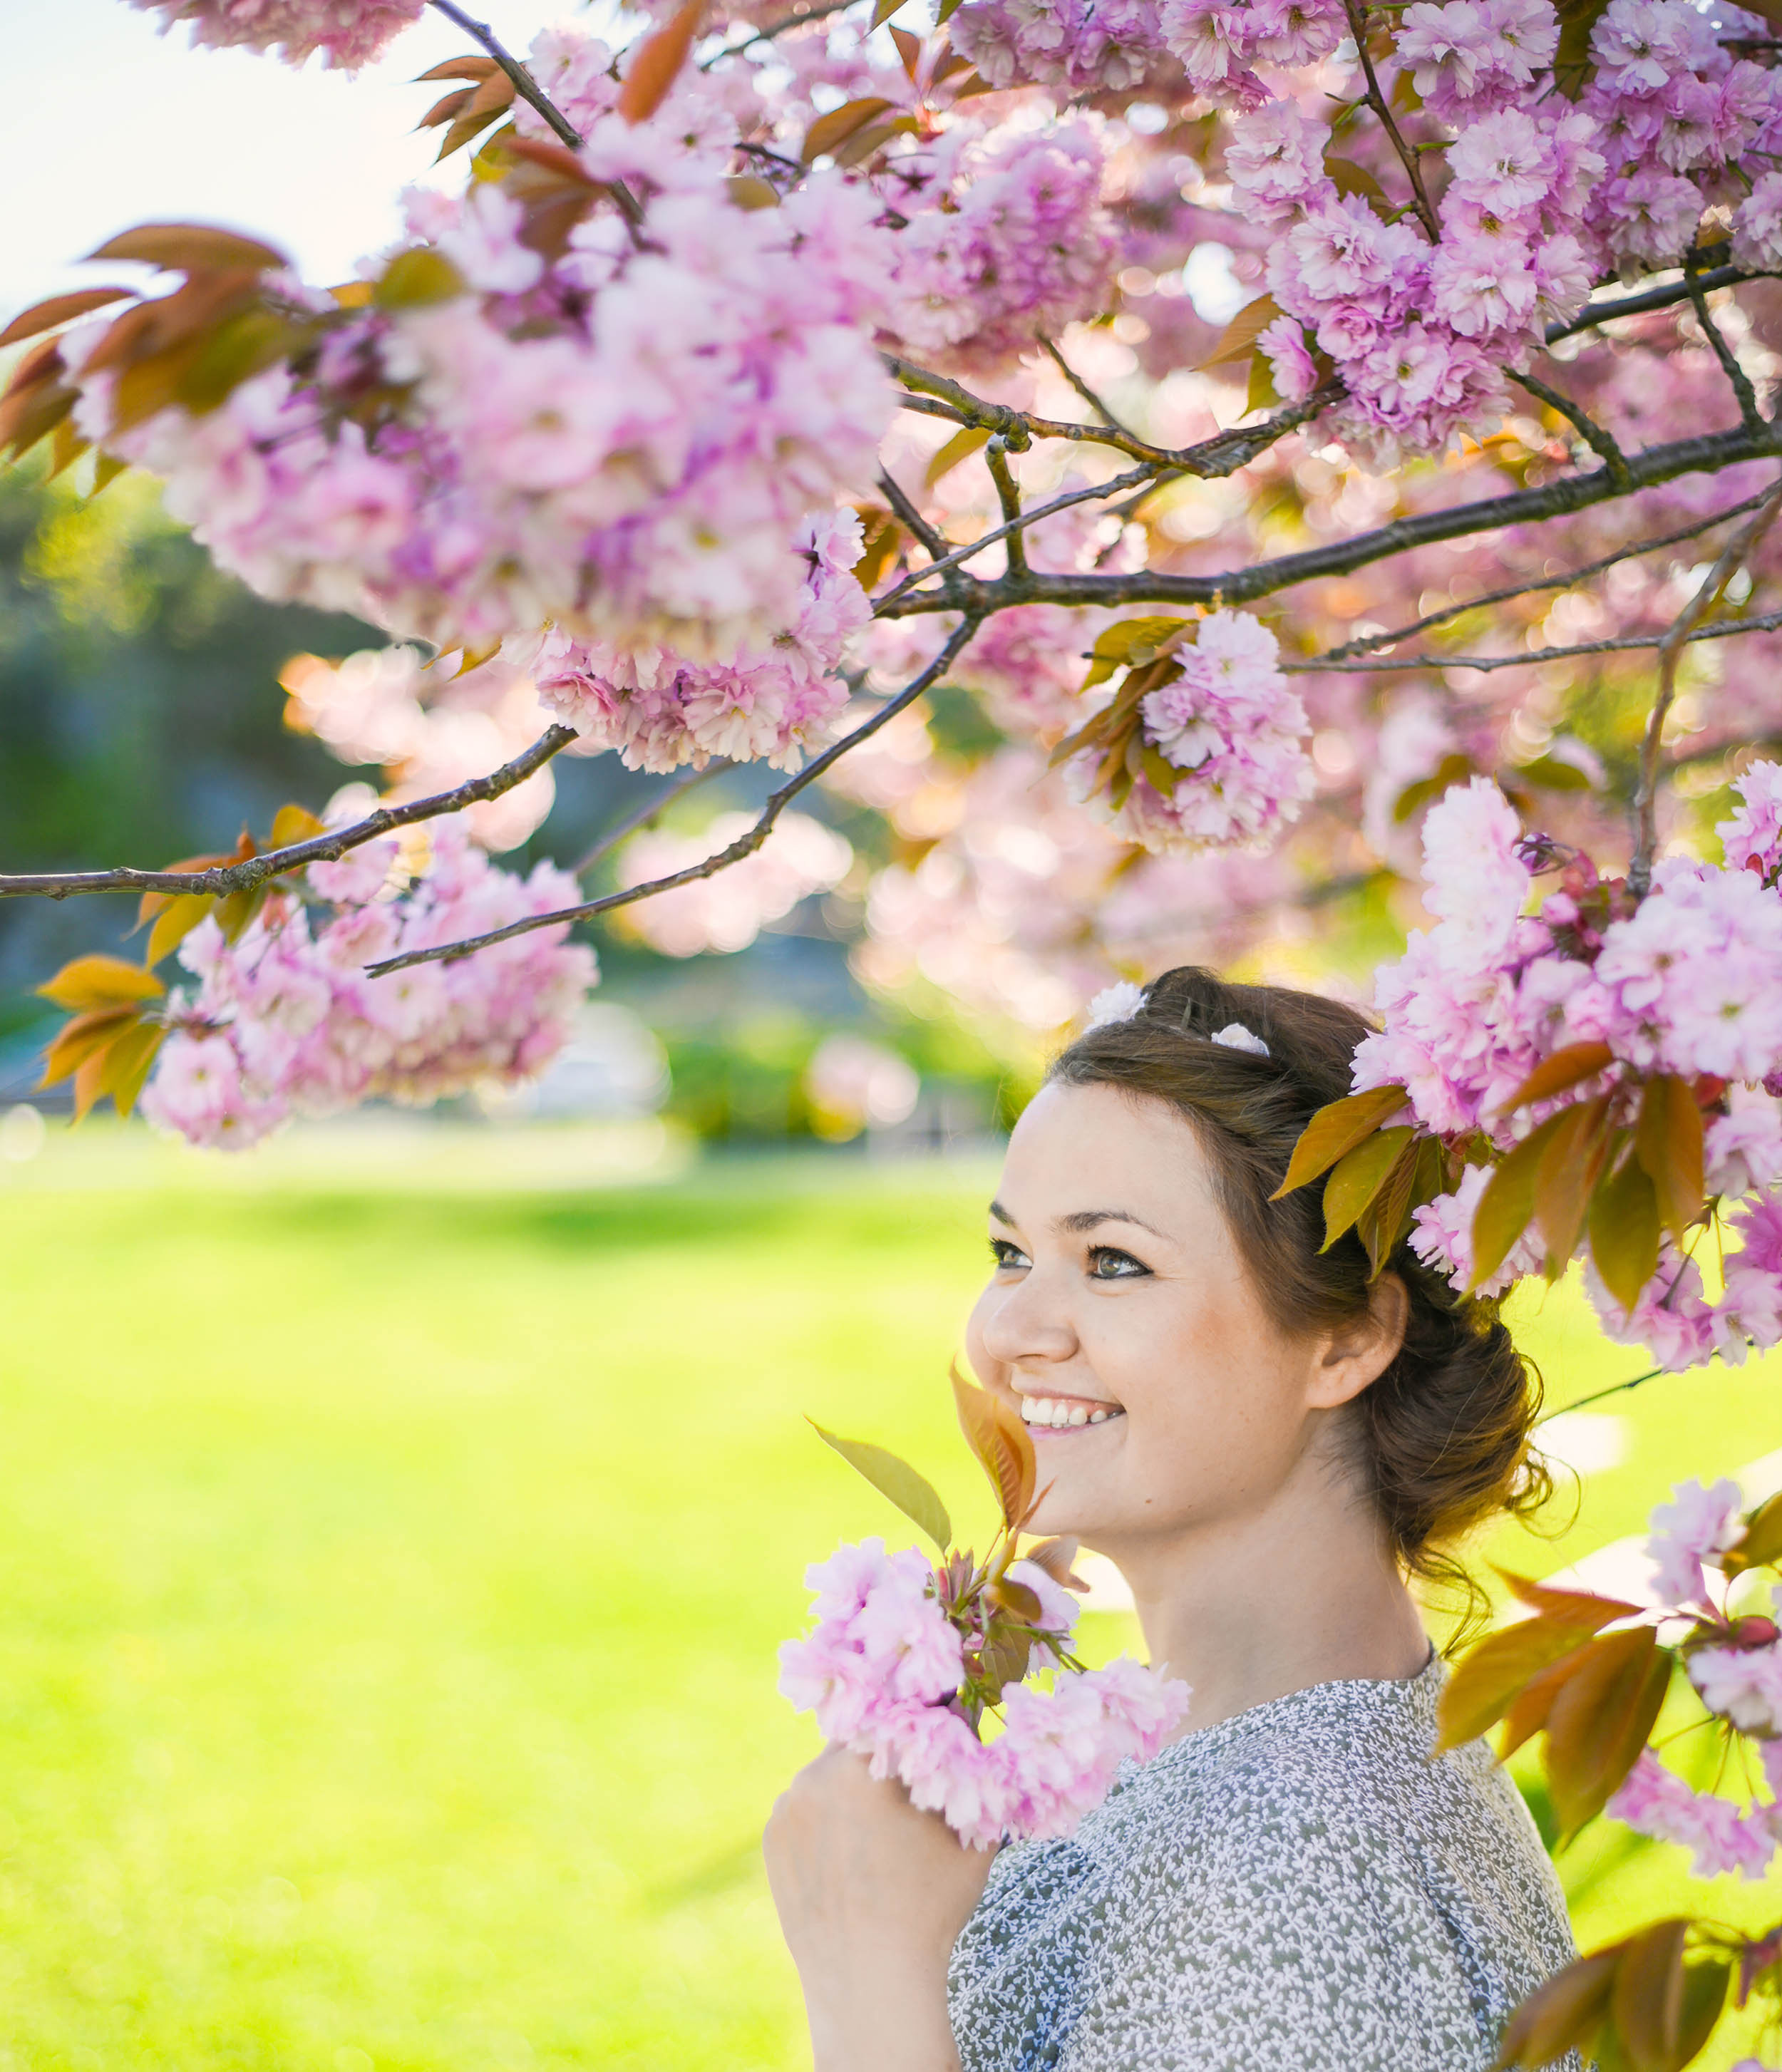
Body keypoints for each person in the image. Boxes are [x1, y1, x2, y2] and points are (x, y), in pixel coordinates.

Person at [763, 966, 1576, 2072]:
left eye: (1112, 1262)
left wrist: (871, 1983)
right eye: (1011, 1253)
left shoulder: (1294, 1885)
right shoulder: (1272, 1756)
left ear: (1346, 1341)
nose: (1012, 1332)